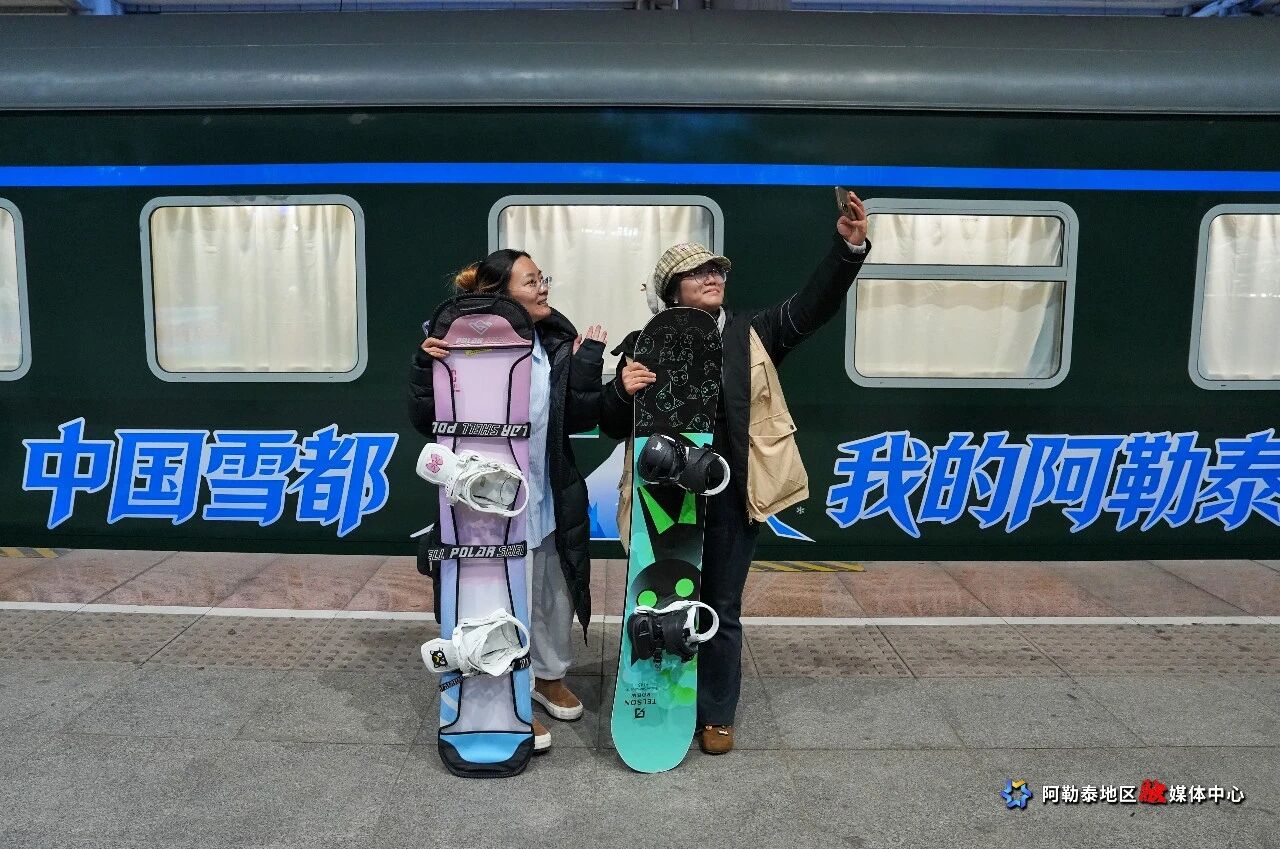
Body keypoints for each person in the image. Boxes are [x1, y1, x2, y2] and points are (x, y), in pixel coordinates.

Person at [600, 191, 870, 755]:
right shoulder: (643, 344)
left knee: (722, 606)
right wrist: (618, 391)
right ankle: (662, 700)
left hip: (732, 493)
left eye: (717, 270)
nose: (713, 277)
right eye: (698, 273)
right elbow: (610, 424)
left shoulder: (753, 332)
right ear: (672, 290)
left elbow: (812, 307)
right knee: (660, 600)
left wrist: (847, 249)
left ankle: (717, 713)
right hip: (663, 497)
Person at [409, 249, 605, 753]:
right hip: (488, 500)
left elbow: (579, 417)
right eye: (531, 281)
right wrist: (424, 365)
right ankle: (511, 692)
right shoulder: (452, 342)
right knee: (503, 596)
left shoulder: (555, 341)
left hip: (547, 487)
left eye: (542, 279)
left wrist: (588, 364)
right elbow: (426, 419)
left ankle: (548, 677)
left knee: (552, 592)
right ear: (499, 295)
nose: (543, 288)